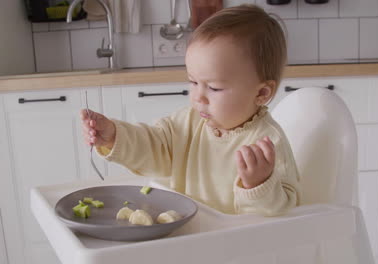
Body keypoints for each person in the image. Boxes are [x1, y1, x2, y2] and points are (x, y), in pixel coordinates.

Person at [81, 4, 300, 216]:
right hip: (189, 237)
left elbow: (284, 213)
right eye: (193, 82)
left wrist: (258, 185)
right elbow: (153, 144)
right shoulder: (189, 122)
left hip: (236, 248)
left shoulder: (267, 144)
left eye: (214, 87)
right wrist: (114, 135)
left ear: (261, 94)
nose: (198, 97)